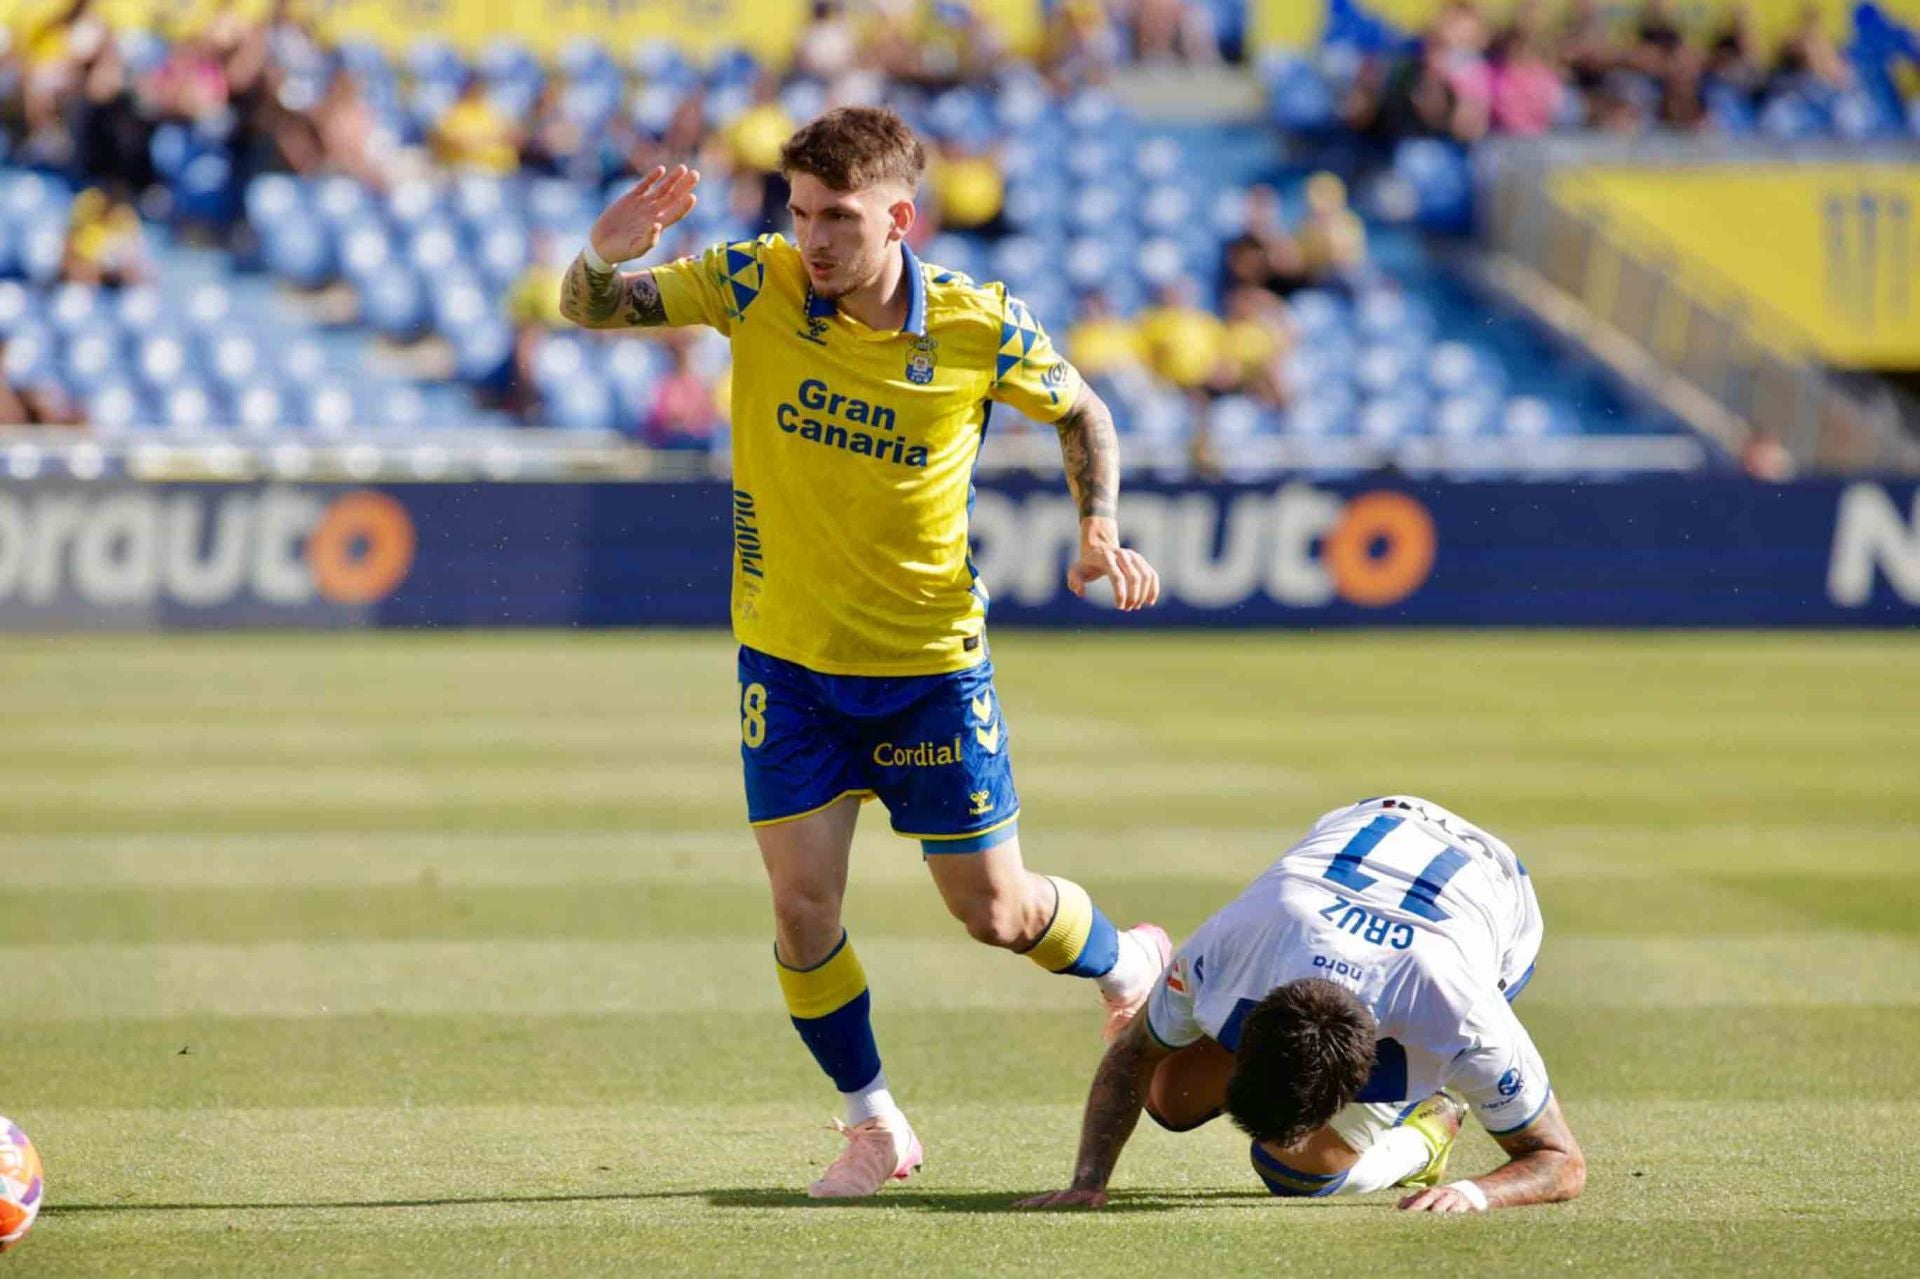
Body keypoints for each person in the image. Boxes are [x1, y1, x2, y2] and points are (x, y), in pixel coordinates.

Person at [557, 107, 1167, 1198]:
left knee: (997, 914)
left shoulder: (978, 324)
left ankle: (1130, 963)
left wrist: (1098, 527)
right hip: (787, 666)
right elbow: (591, 309)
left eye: (836, 217)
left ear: (900, 216)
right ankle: (872, 1122)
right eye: (799, 213)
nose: (814, 241)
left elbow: (1085, 415)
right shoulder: (759, 283)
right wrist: (602, 254)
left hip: (930, 667)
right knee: (802, 912)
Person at [1018, 795, 1586, 1214]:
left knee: (1294, 1169)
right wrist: (1089, 1179)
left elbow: (1559, 1160)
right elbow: (1132, 1056)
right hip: (1365, 825)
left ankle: (1428, 1126)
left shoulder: (1464, 1019)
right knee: (1171, 1096)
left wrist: (1472, 1193)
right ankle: (1146, 973)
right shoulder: (1234, 952)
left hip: (1498, 897)